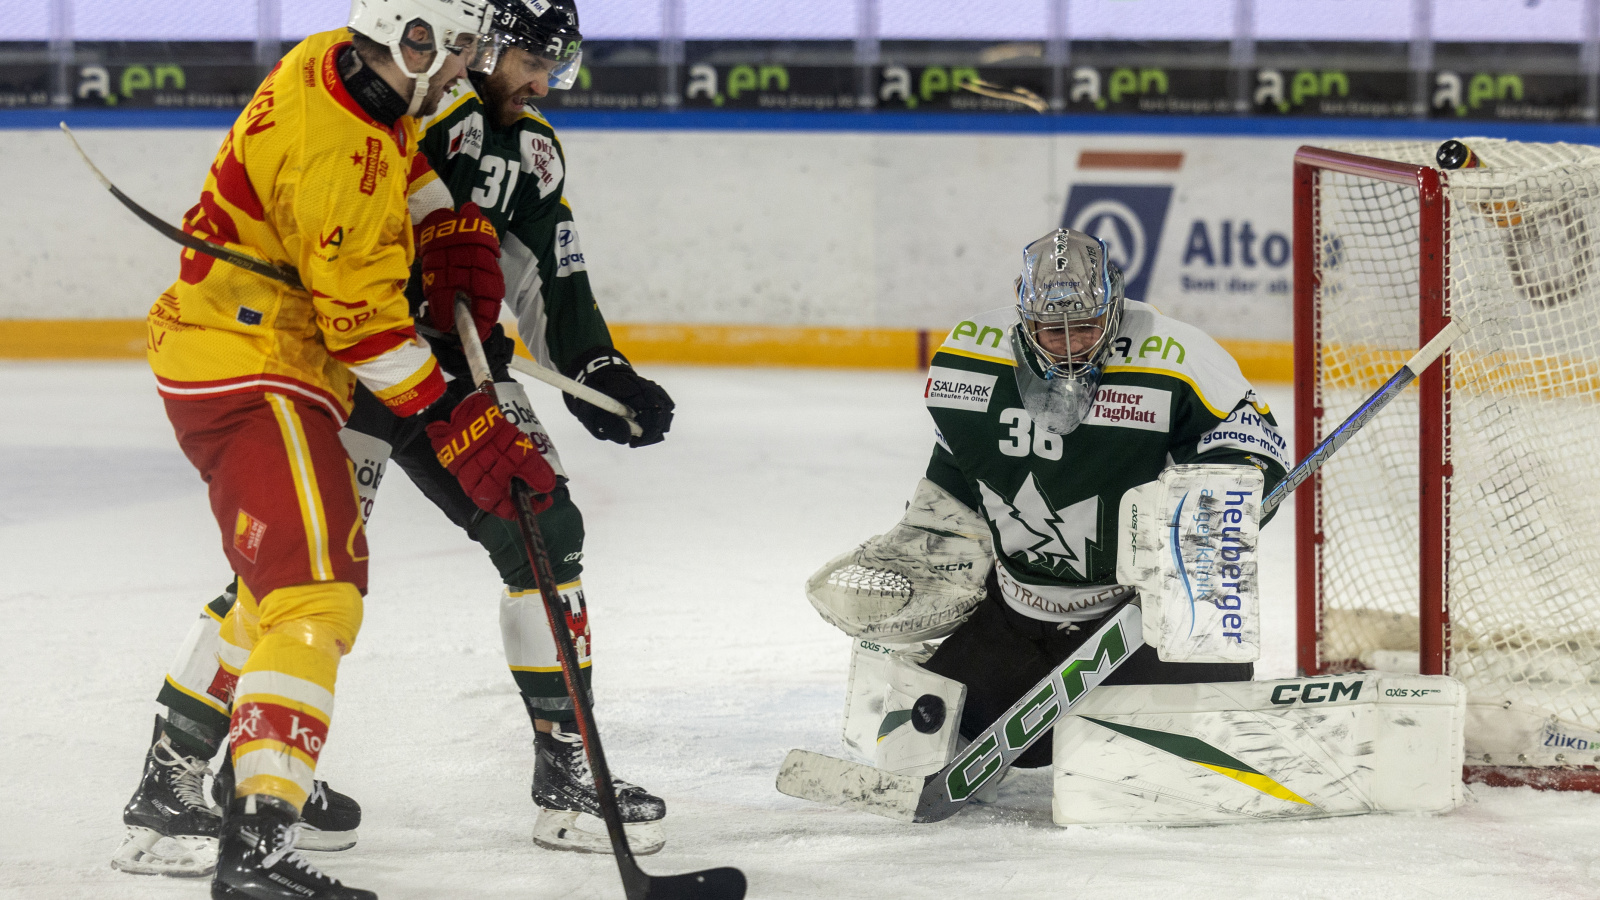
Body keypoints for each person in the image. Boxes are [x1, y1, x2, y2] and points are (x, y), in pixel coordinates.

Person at [114, 0, 676, 888]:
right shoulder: (405, 96)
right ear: (469, 43)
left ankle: (568, 774)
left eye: (554, 70)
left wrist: (598, 366)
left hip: (427, 365)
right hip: (359, 369)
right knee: (296, 575)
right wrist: (453, 395)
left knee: (543, 524)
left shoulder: (507, 138)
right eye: (529, 61)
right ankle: (184, 776)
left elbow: (549, 271)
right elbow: (362, 313)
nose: (539, 86)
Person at [809, 227, 1290, 774]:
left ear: (1114, 305)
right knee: (995, 741)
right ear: (1022, 314)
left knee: (1174, 755)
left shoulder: (1176, 354)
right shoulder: (968, 356)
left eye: (1084, 327)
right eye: (1049, 330)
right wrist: (936, 526)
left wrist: (1198, 518)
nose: (1068, 343)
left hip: (1137, 616)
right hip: (1018, 612)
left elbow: (1254, 453)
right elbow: (957, 464)